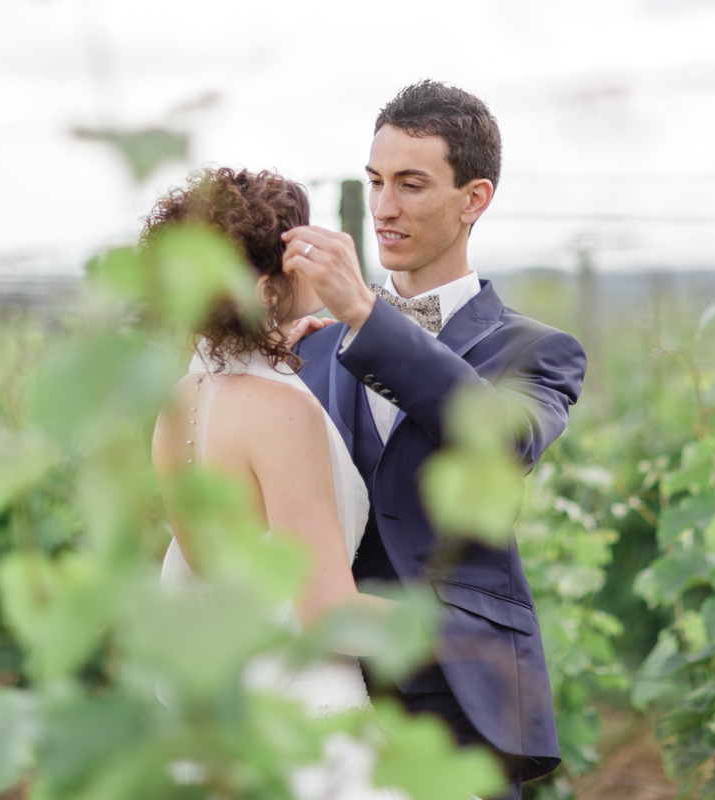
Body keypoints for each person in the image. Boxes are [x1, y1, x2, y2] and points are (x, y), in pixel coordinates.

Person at [283, 80, 587, 800]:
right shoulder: (317, 350)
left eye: (411, 185)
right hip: (328, 687)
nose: (384, 209)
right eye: (376, 182)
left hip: (461, 692)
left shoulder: (538, 351)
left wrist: (363, 314)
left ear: (473, 198)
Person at [148, 167, 406, 800]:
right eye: (298, 254)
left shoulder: (180, 401)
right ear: (265, 289)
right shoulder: (280, 412)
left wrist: (275, 352)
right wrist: (454, 625)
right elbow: (327, 613)